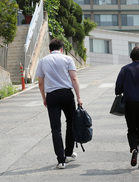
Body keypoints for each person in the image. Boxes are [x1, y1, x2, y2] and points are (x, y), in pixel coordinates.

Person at [36, 39, 83, 169]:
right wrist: (79, 97)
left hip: (52, 96)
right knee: (71, 123)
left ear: (50, 50)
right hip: (67, 94)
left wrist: (44, 97)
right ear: (62, 48)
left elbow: (40, 83)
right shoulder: (68, 59)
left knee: (55, 128)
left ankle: (61, 160)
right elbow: (74, 78)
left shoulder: (43, 61)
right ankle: (68, 153)